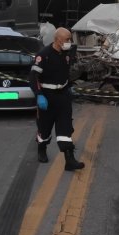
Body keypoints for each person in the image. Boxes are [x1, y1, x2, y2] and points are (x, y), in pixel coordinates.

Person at [29, 27, 85, 171]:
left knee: (65, 129)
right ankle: (41, 148)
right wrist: (39, 94)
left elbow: (66, 73)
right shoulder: (44, 55)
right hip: (47, 98)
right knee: (45, 129)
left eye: (70, 39)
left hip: (63, 97)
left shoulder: (66, 54)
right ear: (57, 40)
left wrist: (69, 87)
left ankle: (69, 160)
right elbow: (33, 77)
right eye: (67, 39)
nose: (69, 42)